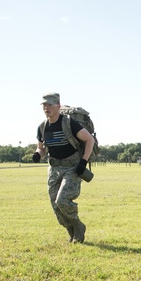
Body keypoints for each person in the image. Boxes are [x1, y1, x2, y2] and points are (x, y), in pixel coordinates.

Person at [35, 93, 96, 243]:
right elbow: (41, 148)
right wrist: (38, 154)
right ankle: (71, 231)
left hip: (72, 168)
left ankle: (78, 226)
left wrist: (83, 162)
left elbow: (89, 139)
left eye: (49, 104)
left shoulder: (69, 123)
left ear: (58, 106)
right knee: (55, 205)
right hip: (54, 168)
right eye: (44, 105)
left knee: (62, 200)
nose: (46, 108)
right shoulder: (42, 127)